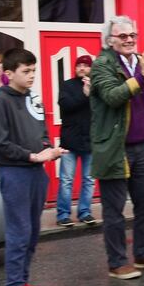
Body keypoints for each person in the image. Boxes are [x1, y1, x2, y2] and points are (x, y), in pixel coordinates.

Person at [90, 15, 144, 280]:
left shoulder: (141, 62)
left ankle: (143, 254)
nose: (129, 40)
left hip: (143, 146)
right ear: (110, 40)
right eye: (123, 36)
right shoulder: (100, 66)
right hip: (114, 149)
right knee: (114, 211)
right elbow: (113, 97)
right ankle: (117, 263)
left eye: (132, 36)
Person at [0, 48, 67, 286]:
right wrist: (32, 156)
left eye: (34, 70)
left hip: (36, 173)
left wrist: (48, 149)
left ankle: (22, 285)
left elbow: (43, 132)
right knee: (19, 233)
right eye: (26, 71)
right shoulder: (1, 101)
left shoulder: (33, 98)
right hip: (16, 174)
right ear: (9, 74)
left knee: (31, 233)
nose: (32, 75)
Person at [55, 55, 97, 228]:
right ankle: (63, 214)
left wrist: (92, 92)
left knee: (89, 179)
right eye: (79, 65)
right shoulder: (67, 85)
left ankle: (85, 212)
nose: (82, 68)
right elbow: (65, 105)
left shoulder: (96, 86)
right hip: (70, 141)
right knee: (66, 180)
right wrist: (84, 95)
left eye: (85, 66)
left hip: (90, 140)